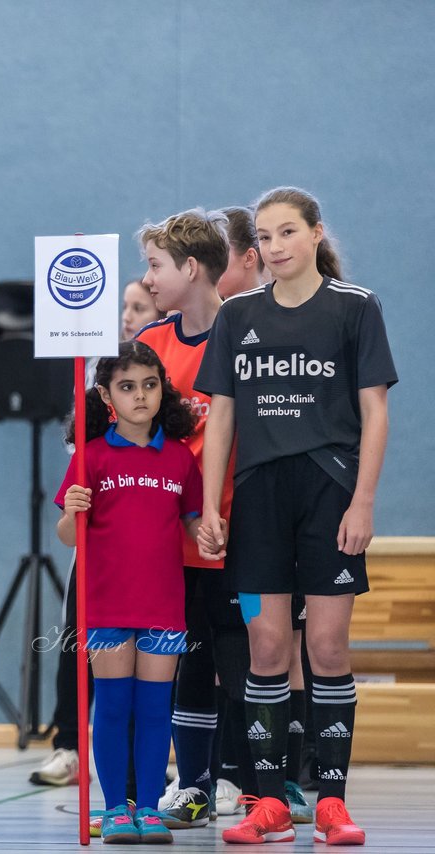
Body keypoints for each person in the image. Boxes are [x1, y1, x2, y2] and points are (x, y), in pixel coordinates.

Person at [197, 187, 397, 846]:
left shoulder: (355, 308)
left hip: (330, 492)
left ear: (314, 233)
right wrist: (210, 505)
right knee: (266, 646)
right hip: (258, 498)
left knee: (328, 648)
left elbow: (374, 411)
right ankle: (269, 803)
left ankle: (332, 804)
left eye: (288, 232)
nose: (276, 246)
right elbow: (220, 414)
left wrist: (362, 500)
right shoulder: (236, 316)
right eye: (265, 236)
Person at [56, 340, 202, 845]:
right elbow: (67, 535)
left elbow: (194, 523)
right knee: (114, 706)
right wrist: (74, 509)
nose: (140, 396)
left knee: (155, 708)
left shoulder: (181, 460)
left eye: (149, 384)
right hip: (107, 604)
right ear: (105, 395)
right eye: (126, 387)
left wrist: (209, 531)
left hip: (163, 605)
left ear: (163, 389)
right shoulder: (90, 459)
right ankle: (116, 807)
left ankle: (148, 808)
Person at [32, 282, 166, 796]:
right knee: (81, 647)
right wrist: (75, 510)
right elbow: (67, 526)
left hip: (155, 585)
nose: (128, 315)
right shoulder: (94, 424)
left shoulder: (168, 448)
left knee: (150, 693)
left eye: (139, 307)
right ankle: (72, 743)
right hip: (103, 569)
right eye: (125, 306)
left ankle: (147, 779)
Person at [134, 209, 230, 830]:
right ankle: (193, 784)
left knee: (245, 657)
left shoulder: (247, 332)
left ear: (191, 268)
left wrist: (214, 509)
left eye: (154, 266)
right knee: (189, 655)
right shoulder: (151, 346)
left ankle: (257, 784)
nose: (145, 281)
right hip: (171, 534)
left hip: (235, 526)